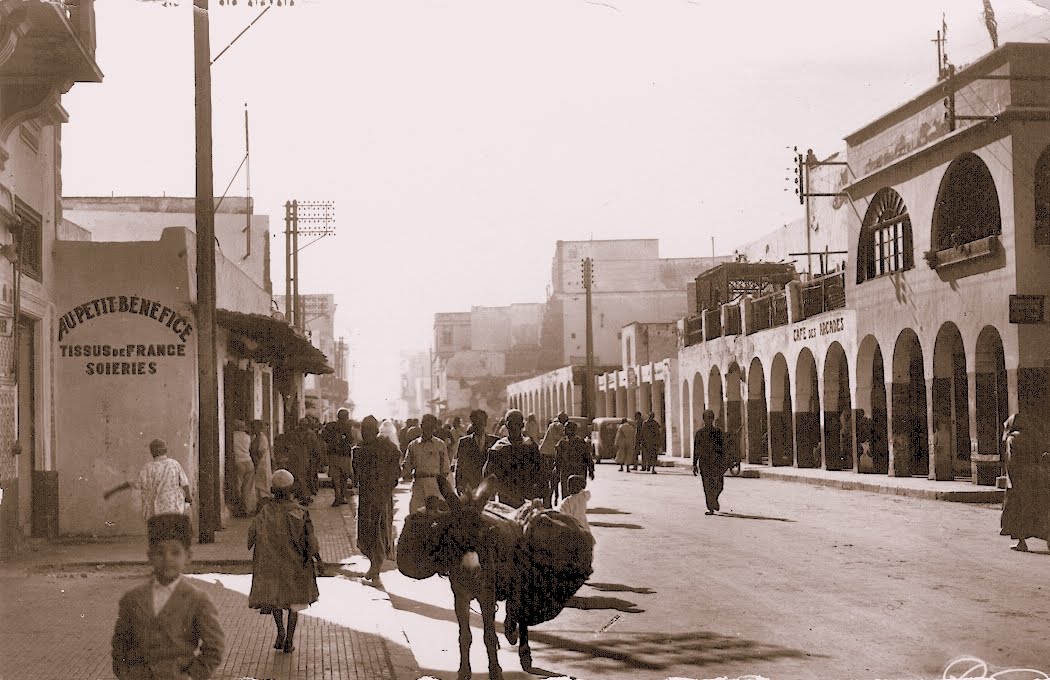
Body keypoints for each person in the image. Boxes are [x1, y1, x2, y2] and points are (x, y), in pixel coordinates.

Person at [112, 513, 224, 679]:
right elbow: (120, 644)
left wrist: (192, 675)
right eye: (159, 553)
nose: (167, 559)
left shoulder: (198, 600)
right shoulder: (132, 600)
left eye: (175, 553)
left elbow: (214, 647)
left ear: (188, 557)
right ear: (149, 556)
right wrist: (126, 673)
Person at [248, 469, 320, 653]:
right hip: (295, 564)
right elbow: (310, 542)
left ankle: (280, 632)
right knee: (294, 603)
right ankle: (289, 639)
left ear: (273, 489)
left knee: (276, 601)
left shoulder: (264, 512)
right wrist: (318, 559)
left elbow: (250, 539)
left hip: (271, 563)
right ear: (291, 489)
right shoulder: (300, 512)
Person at [352, 416, 403, 580]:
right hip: (366, 497)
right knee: (365, 533)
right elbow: (356, 474)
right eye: (363, 430)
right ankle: (374, 564)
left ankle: (376, 567)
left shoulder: (386, 447)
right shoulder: (359, 449)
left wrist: (387, 486)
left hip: (381, 496)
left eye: (368, 430)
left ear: (375, 431)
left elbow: (396, 469)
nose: (365, 433)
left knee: (379, 531)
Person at [104, 439, 192, 521]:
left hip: (155, 513)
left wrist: (112, 491)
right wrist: (188, 499)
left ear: (152, 452)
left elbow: (131, 483)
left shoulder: (148, 468)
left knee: (157, 535)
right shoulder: (174, 464)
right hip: (174, 510)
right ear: (166, 450)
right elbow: (185, 484)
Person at [1000, 414, 1050, 552]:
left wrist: (1011, 480)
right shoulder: (1031, 437)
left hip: (1020, 477)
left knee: (1018, 509)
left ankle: (1021, 541)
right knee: (1036, 506)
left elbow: (1011, 461)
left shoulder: (1012, 439)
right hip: (1035, 476)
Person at [483, 409, 543, 508]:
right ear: (506, 425)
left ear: (522, 425)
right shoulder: (498, 448)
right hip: (506, 498)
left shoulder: (530, 446)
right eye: (511, 424)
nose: (514, 427)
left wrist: (538, 491)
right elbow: (488, 474)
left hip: (527, 497)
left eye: (517, 424)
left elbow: (540, 471)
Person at [402, 414, 452, 513]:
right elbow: (407, 466)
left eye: (431, 426)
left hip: (435, 485)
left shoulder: (440, 445)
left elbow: (445, 469)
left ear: (434, 428)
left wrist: (440, 485)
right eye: (426, 425)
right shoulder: (413, 445)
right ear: (421, 426)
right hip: (418, 485)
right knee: (416, 515)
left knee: (435, 517)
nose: (428, 429)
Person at [273, 419, 322, 505]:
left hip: (305, 458)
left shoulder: (303, 434)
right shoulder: (299, 434)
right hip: (301, 458)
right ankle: (304, 496)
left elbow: (315, 447)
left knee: (306, 478)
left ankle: (305, 495)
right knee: (302, 477)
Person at [455, 409, 497, 494]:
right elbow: (459, 465)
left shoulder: (494, 441)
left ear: (485, 423)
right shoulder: (464, 442)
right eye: (475, 423)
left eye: (480, 423)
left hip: (489, 486)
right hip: (470, 486)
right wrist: (458, 484)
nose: (478, 426)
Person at [693, 409, 726, 515]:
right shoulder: (699, 434)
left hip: (716, 462)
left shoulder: (718, 432)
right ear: (704, 420)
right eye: (707, 418)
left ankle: (714, 499)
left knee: (719, 485)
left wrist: (724, 461)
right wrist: (694, 464)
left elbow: (723, 447)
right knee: (707, 486)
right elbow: (696, 449)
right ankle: (710, 507)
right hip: (704, 463)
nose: (709, 420)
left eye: (711, 418)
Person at [554, 421, 595, 504]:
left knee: (578, 491)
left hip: (578, 471)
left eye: (568, 429)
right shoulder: (562, 443)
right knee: (566, 491)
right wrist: (557, 469)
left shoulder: (581, 442)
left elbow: (587, 457)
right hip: (566, 471)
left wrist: (591, 470)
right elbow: (558, 458)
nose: (566, 431)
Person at [322, 408, 356, 507]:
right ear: (346, 417)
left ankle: (337, 496)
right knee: (344, 476)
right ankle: (341, 497)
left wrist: (331, 443)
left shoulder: (330, 425)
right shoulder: (347, 426)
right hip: (344, 455)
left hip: (332, 454)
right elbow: (350, 440)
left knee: (335, 477)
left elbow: (323, 436)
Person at [230, 419, 256, 516]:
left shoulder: (232, 436)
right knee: (248, 488)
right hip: (248, 462)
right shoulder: (247, 437)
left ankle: (239, 509)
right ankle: (248, 509)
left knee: (238, 487)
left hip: (238, 463)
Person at [250, 420, 273, 506]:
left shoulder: (262, 438)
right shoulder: (256, 438)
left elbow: (260, 452)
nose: (253, 429)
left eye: (254, 427)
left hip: (261, 465)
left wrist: (255, 461)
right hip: (258, 465)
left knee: (262, 487)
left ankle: (263, 506)